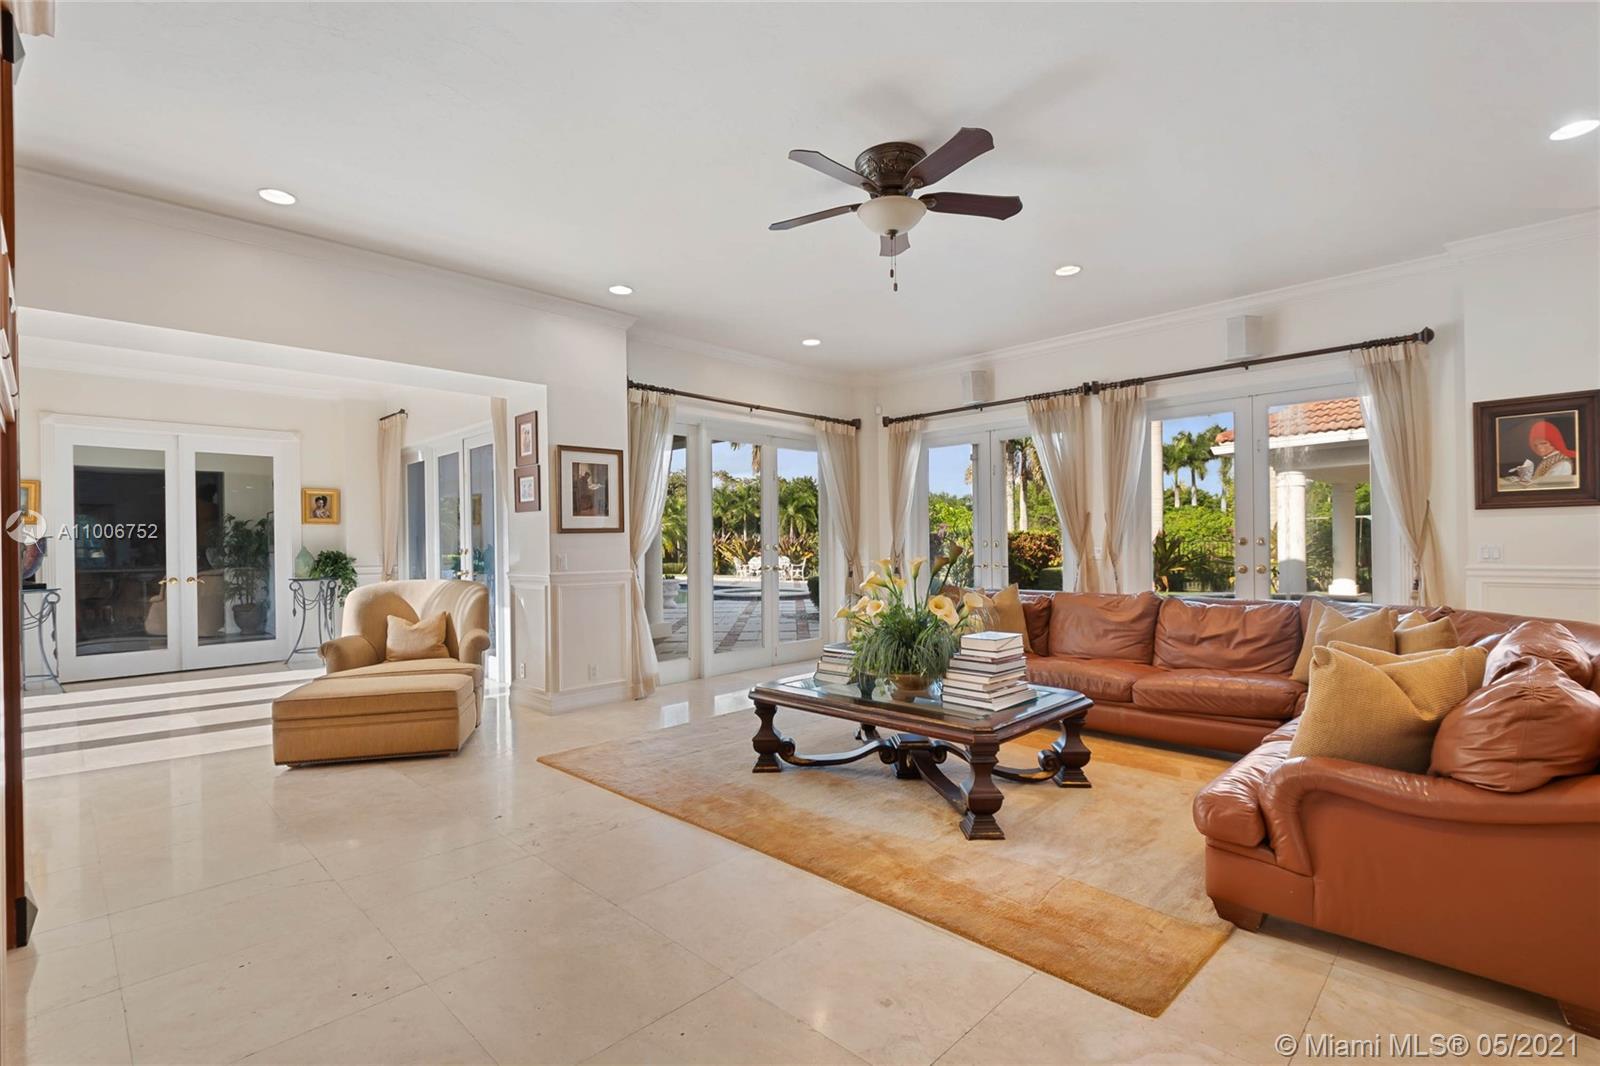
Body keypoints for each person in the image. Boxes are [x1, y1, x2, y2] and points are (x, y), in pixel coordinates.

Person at [1505, 419, 1578, 488]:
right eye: (1535, 445)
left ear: (1554, 442)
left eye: (1543, 443)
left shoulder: (1563, 463)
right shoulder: (1548, 459)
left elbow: (1548, 486)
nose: (1539, 448)